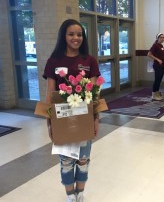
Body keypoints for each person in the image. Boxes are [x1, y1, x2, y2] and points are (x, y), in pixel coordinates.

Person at [43, 19, 100, 202]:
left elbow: (94, 94)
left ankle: (80, 192)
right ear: (63, 36)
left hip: (84, 118)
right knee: (66, 161)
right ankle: (70, 195)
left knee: (83, 158)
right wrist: (49, 120)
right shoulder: (54, 61)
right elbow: (50, 94)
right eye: (71, 34)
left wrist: (96, 118)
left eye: (79, 34)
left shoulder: (89, 60)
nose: (76, 38)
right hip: (62, 118)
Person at [147, 33, 164, 101]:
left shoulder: (161, 45)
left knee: (159, 80)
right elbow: (149, 54)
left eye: (163, 37)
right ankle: (154, 95)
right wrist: (157, 59)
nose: (162, 38)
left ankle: (157, 93)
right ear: (157, 38)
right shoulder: (155, 45)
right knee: (157, 80)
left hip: (162, 65)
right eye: (161, 37)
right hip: (157, 65)